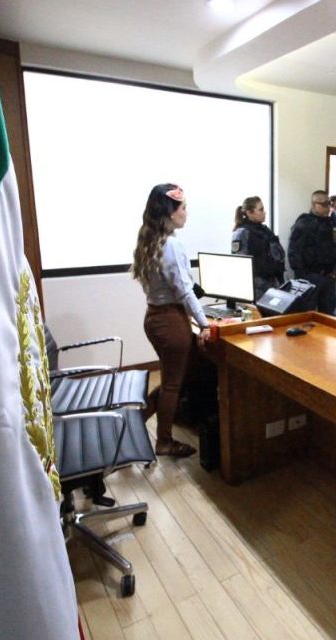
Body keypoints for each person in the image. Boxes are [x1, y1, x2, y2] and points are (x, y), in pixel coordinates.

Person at [132, 183, 211, 458]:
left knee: (171, 379)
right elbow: (184, 291)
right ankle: (164, 441)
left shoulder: (149, 240)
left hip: (154, 318)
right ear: (170, 213)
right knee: (173, 384)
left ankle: (134, 423)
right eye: (183, 208)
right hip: (170, 321)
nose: (186, 213)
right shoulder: (172, 245)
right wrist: (205, 325)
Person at [287, 190, 336, 314]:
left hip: (329, 276)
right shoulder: (304, 223)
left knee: (328, 315)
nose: (327, 208)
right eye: (323, 204)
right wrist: (302, 276)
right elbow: (294, 252)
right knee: (307, 314)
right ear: (314, 205)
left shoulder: (332, 224)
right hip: (310, 277)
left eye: (329, 204)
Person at [231, 196, 285, 302]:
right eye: (260, 210)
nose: (264, 212)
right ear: (249, 213)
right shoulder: (242, 233)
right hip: (256, 287)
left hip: (272, 283)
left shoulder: (265, 230)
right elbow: (240, 263)